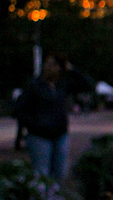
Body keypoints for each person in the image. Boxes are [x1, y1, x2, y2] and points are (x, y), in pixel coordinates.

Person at [15, 52, 86, 183]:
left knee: (60, 173)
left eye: (53, 64)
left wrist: (72, 69)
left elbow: (87, 84)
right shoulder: (34, 85)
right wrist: (34, 126)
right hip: (39, 136)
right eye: (46, 64)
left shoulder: (62, 85)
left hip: (60, 135)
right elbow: (20, 109)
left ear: (60, 68)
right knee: (42, 175)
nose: (48, 67)